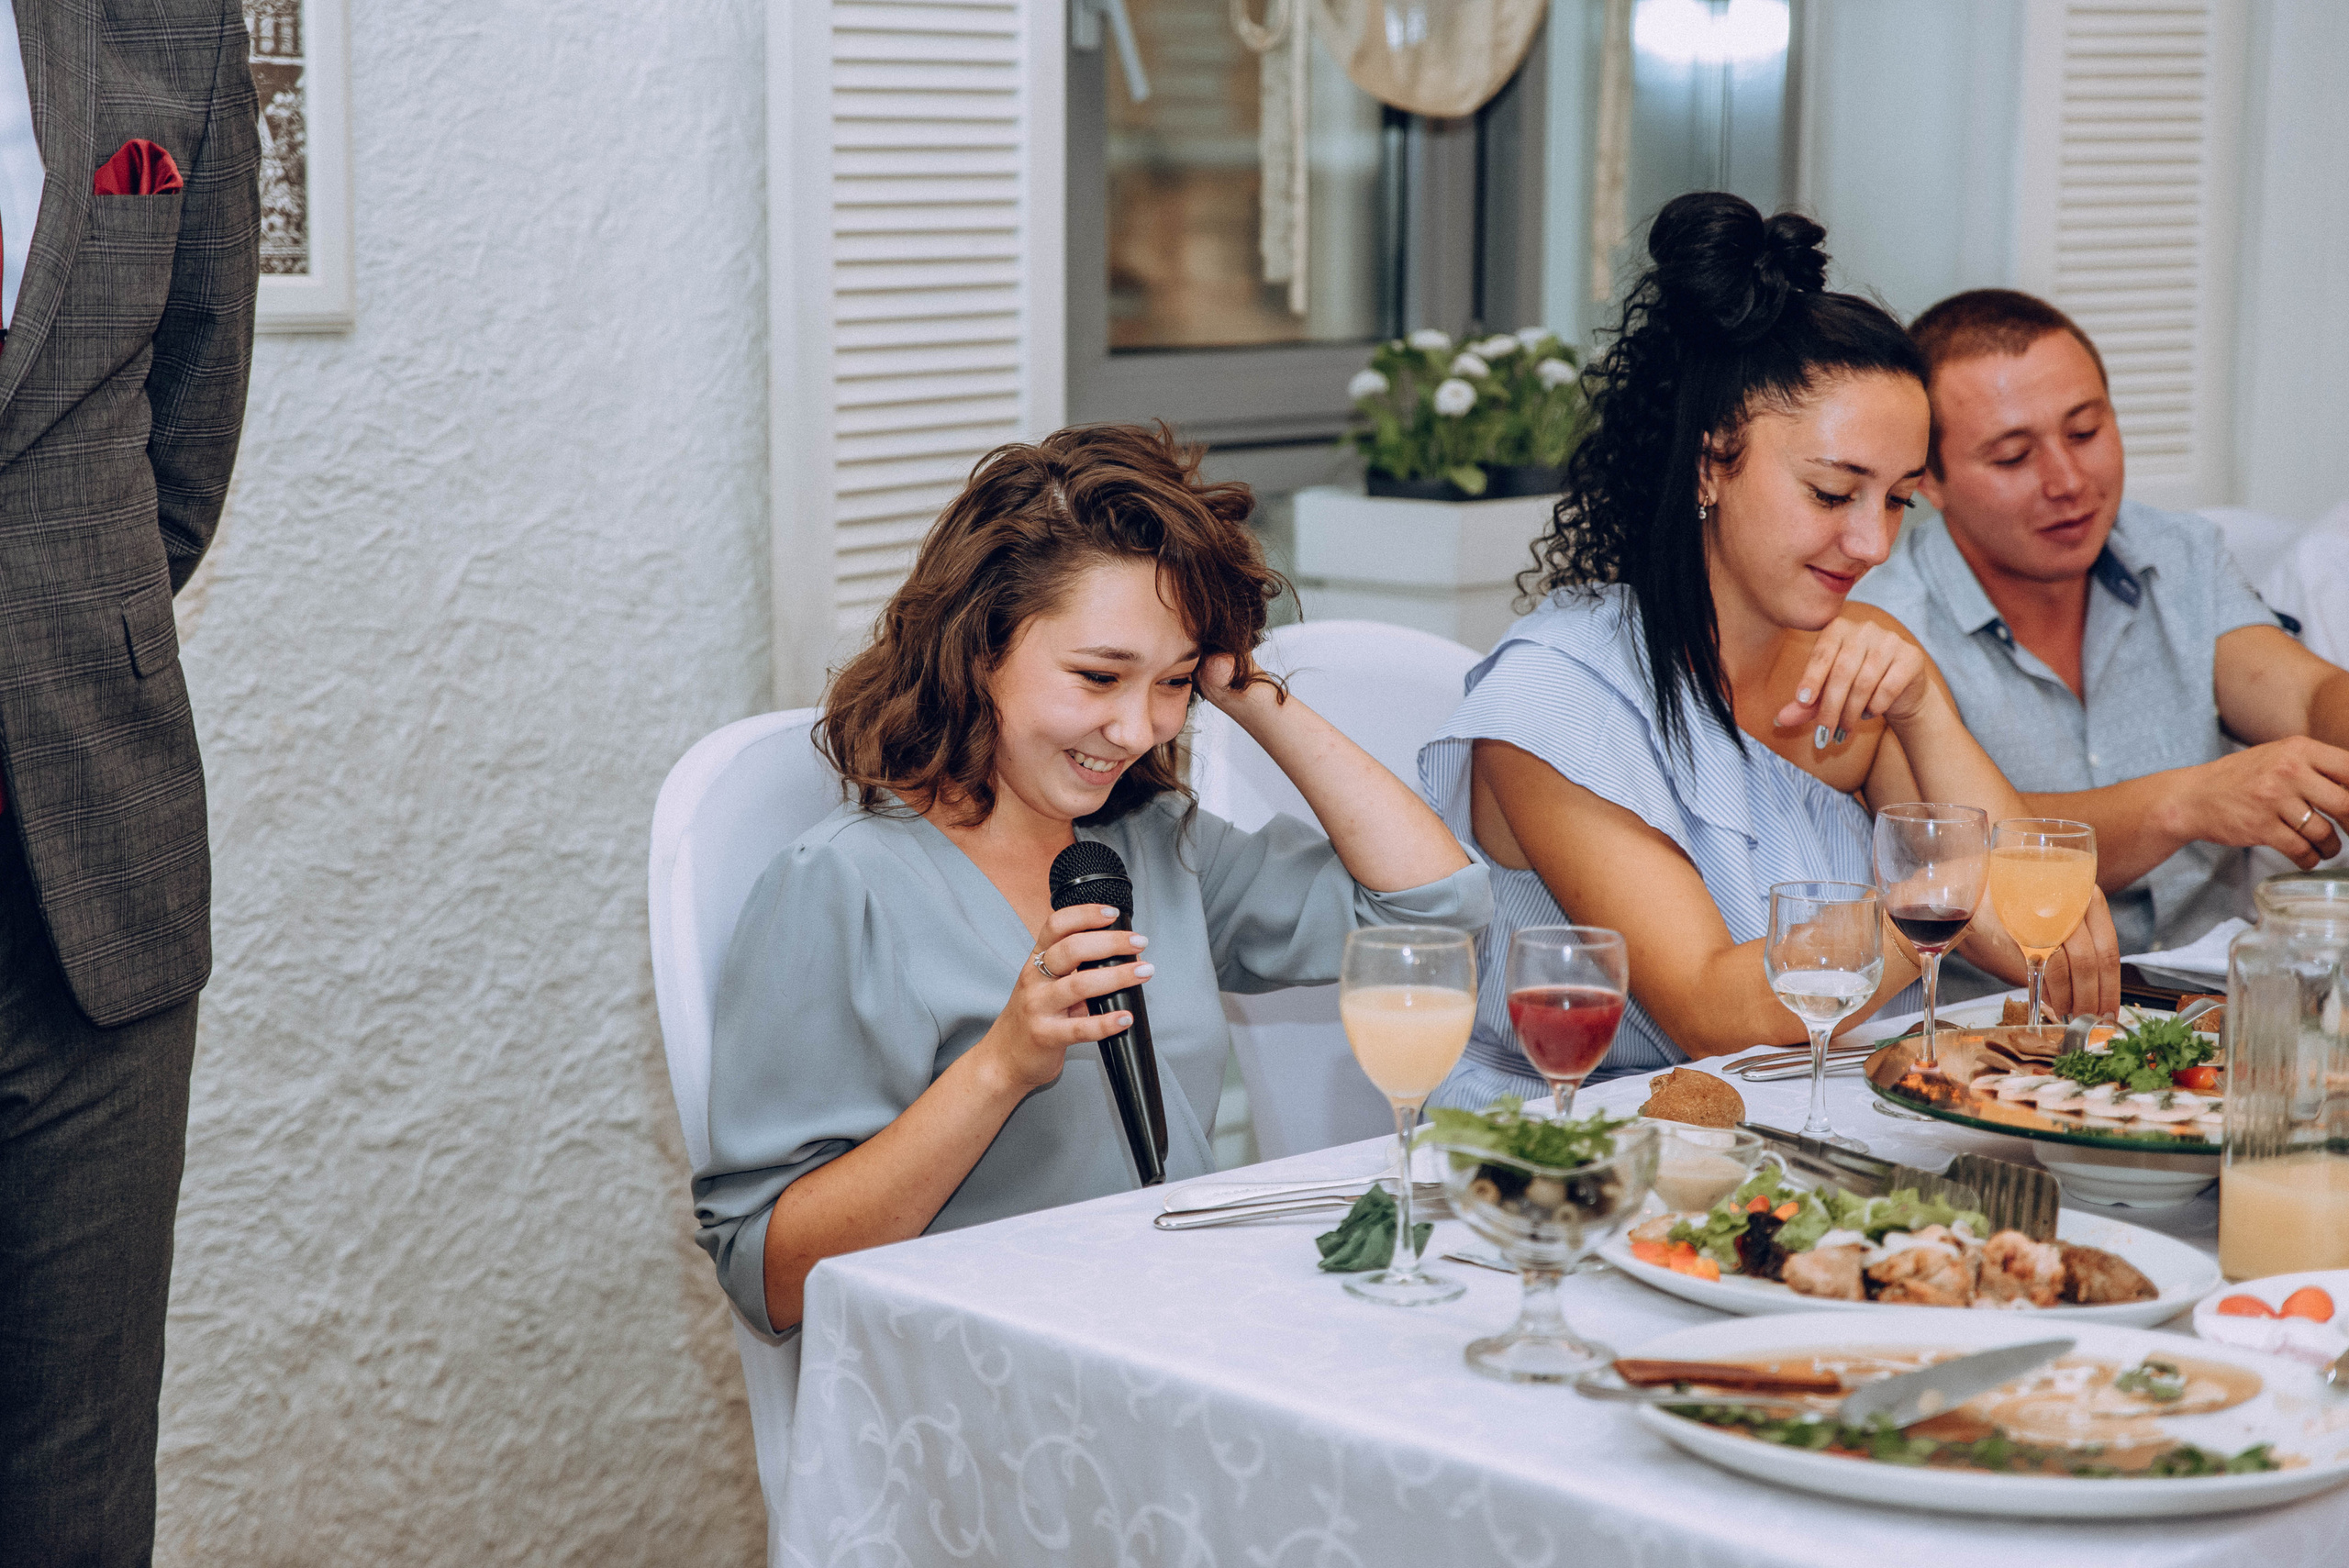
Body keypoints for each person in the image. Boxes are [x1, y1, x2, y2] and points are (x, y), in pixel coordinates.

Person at [696, 424, 1490, 1335]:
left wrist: (1248, 691)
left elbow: (1435, 910)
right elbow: (771, 1278)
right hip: (1002, 1375)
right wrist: (999, 1066)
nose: (1138, 728)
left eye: (1171, 684)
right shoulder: (840, 887)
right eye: (1098, 675)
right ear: (978, 643)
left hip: (1182, 1336)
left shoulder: (1157, 847)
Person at [1420, 194, 2119, 1107]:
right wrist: (1940, 885)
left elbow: (2055, 940)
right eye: (1834, 494)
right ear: (1710, 463)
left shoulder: (1858, 667)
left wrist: (1927, 711)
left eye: (1900, 498)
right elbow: (1715, 1008)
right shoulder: (1554, 699)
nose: (1873, 543)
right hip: (1562, 1148)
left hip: (1804, 1116)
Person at [0, 6, 261, 1564]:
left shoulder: (167, 20)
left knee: (79, 1496)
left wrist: (59, 643)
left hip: (89, 871)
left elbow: (193, 391)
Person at [1851, 290, 2349, 960]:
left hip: (2218, 1003)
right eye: (2011, 457)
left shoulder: (2179, 553)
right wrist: (2186, 801)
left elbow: (2307, 697)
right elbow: (1961, 849)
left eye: (2085, 431)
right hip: (2001, 1028)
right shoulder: (1882, 623)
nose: (2067, 480)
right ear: (1926, 482)